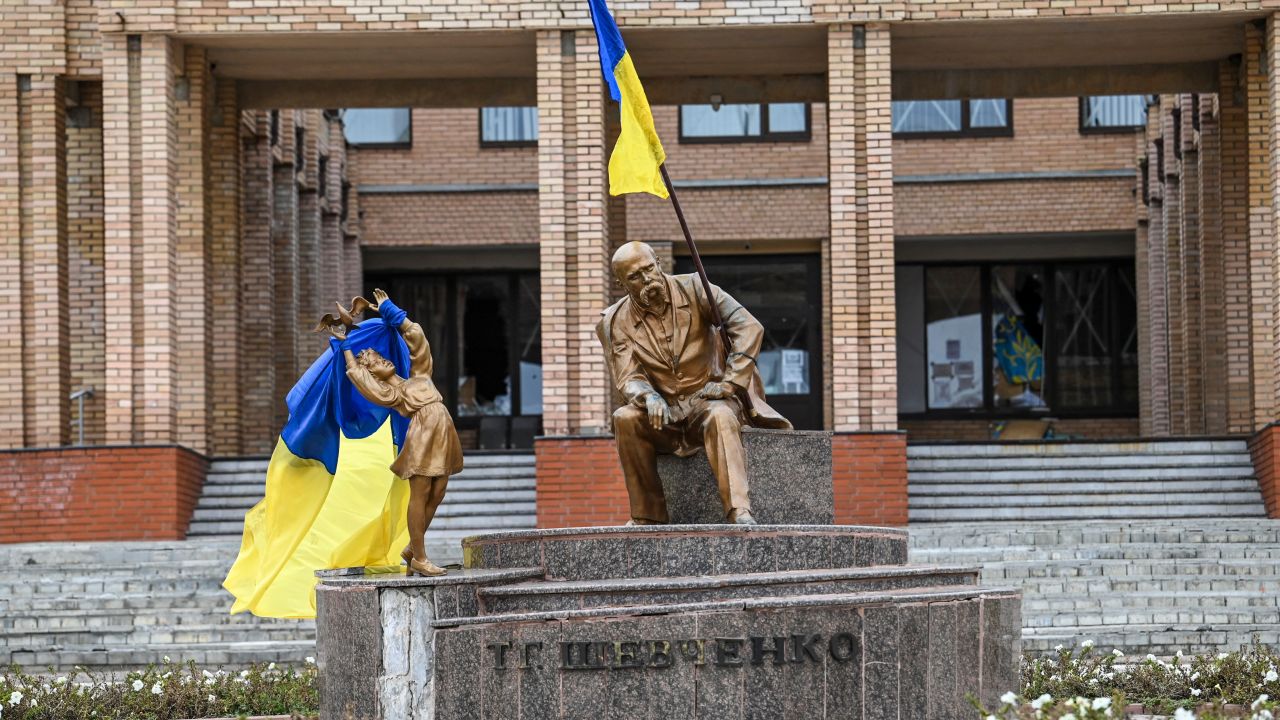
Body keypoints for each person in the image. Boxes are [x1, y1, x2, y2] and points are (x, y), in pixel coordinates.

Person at [596, 241, 791, 526]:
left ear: (659, 262)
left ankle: (739, 510)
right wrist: (648, 397)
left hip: (708, 401)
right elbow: (628, 377)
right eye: (635, 276)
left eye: (649, 269)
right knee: (623, 418)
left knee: (721, 416)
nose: (647, 279)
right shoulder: (614, 321)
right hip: (664, 414)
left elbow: (748, 327)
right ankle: (647, 514)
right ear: (621, 282)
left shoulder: (696, 287)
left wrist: (730, 382)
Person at [329, 289, 463, 576]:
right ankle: (421, 557)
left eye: (380, 356)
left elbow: (418, 339)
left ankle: (411, 550)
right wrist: (347, 349)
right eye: (376, 362)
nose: (382, 360)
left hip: (443, 430)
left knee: (438, 492)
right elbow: (362, 382)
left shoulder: (419, 376)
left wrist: (392, 312)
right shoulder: (394, 393)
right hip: (422, 434)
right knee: (421, 491)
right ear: (374, 373)